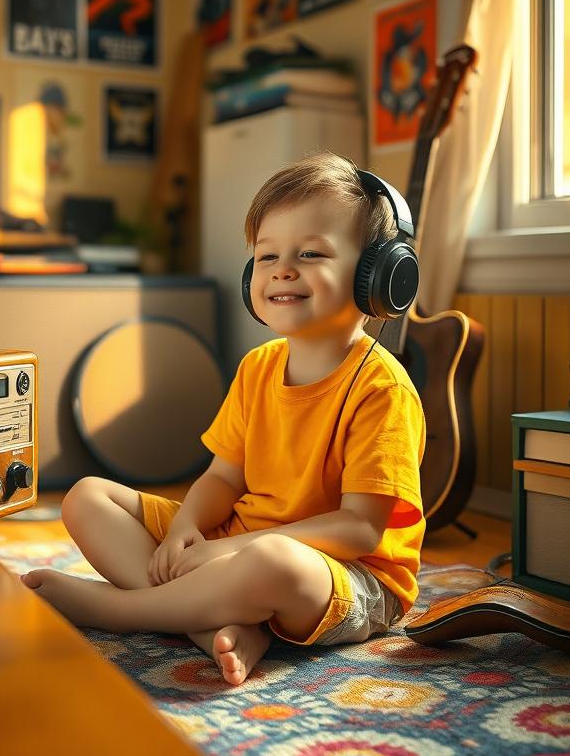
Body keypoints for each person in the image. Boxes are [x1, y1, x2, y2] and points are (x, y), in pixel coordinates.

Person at [22, 151, 427, 685]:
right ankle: (214, 619)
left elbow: (359, 529)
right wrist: (187, 529)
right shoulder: (256, 368)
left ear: (378, 276)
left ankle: (125, 610)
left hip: (342, 575)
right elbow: (222, 476)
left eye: (310, 253)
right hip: (238, 544)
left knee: (274, 563)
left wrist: (232, 549)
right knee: (85, 497)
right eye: (266, 256)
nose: (283, 268)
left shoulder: (382, 388)